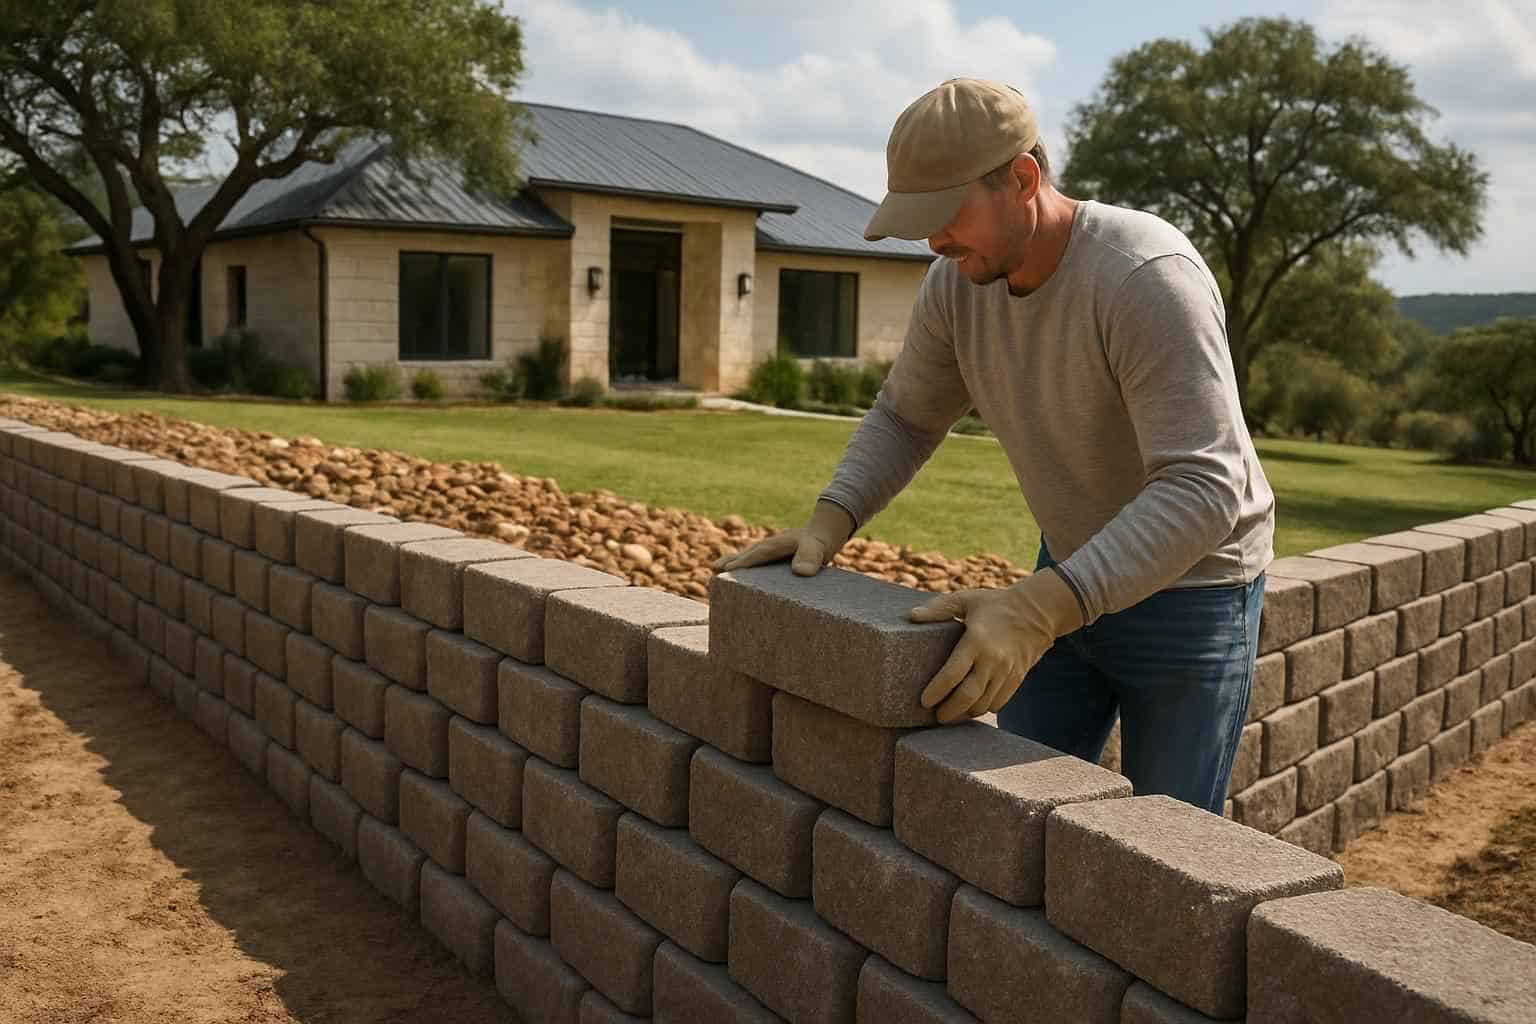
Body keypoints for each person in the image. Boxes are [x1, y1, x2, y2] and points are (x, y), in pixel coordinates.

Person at [713, 77, 1276, 814]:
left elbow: (1203, 487)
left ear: (1023, 180)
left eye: (946, 215)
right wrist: (830, 520)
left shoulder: (1144, 276)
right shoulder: (956, 285)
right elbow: (907, 418)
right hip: (1066, 570)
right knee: (1012, 819)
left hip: (1193, 594)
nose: (934, 241)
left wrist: (1039, 610)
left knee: (1168, 846)